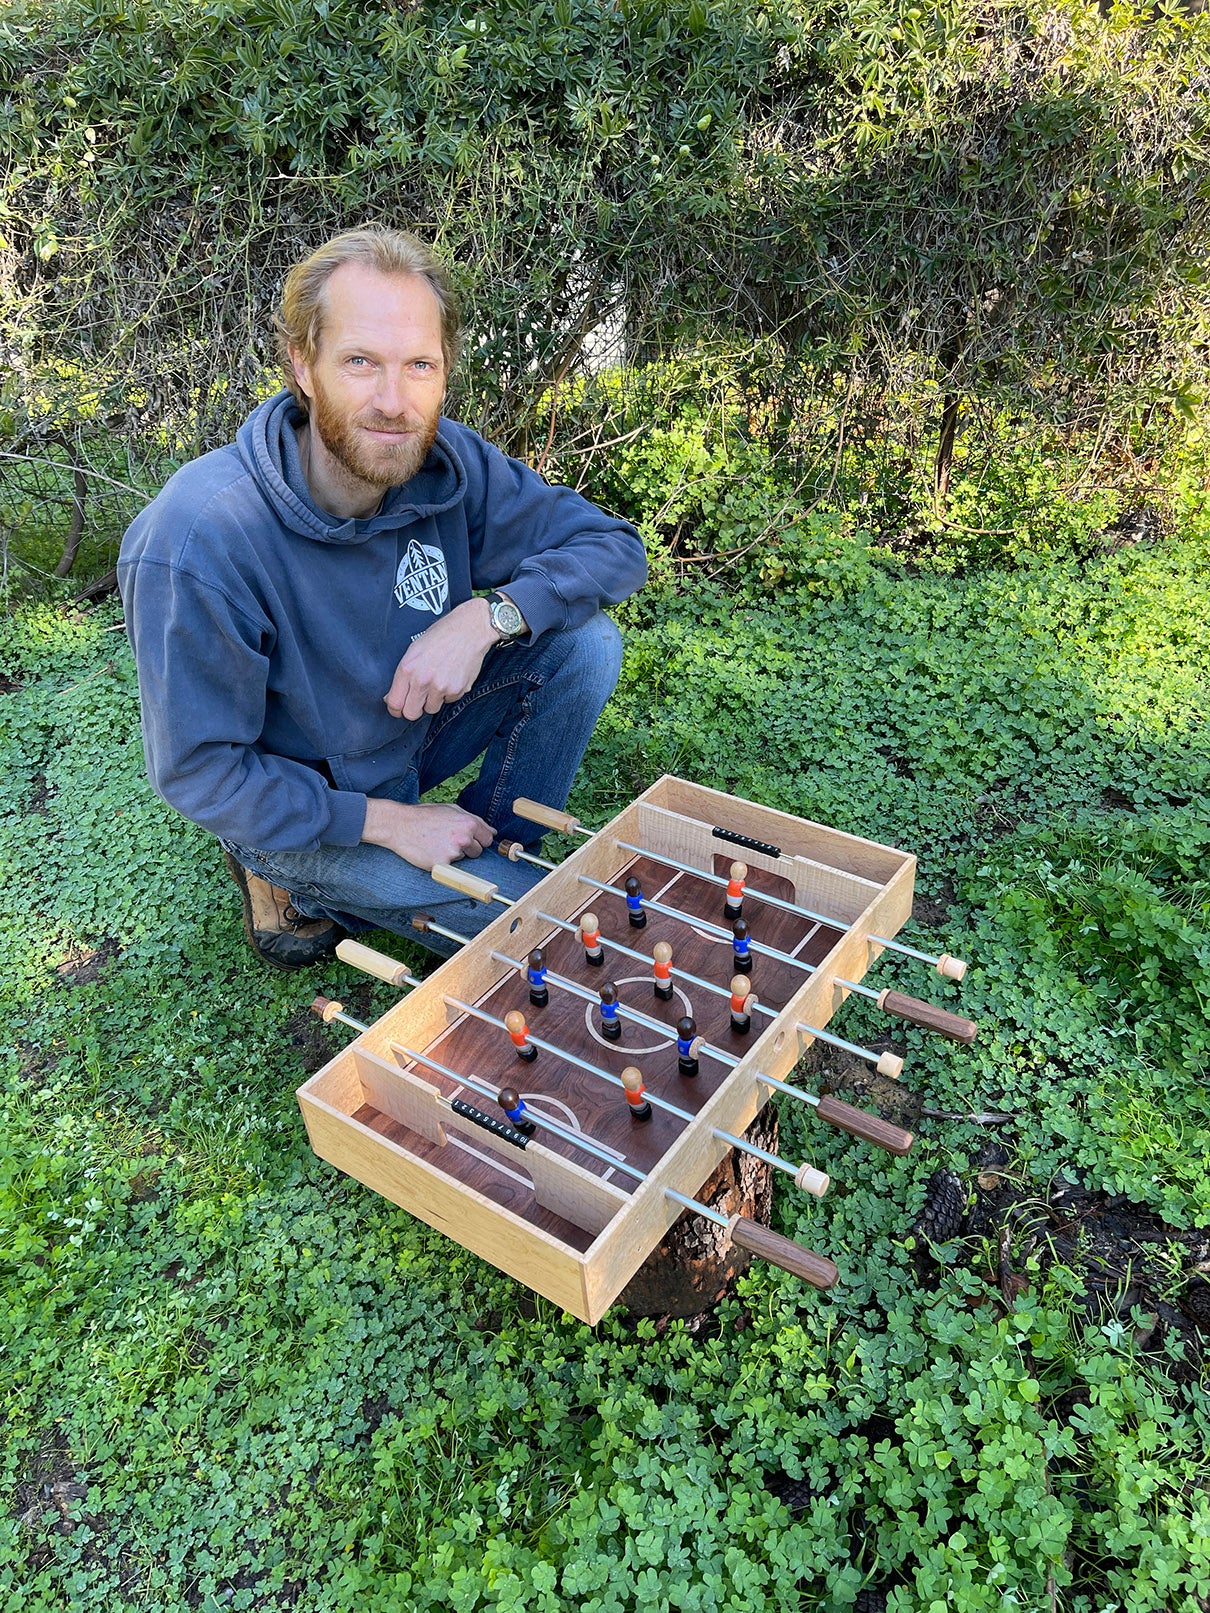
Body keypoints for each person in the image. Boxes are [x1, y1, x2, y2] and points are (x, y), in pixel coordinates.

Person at [118, 226, 647, 969]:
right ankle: (293, 883)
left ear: (446, 367)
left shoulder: (448, 464)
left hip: (404, 734)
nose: (395, 403)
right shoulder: (200, 538)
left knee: (585, 643)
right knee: (532, 927)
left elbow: (615, 547)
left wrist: (489, 614)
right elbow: (202, 772)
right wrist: (386, 822)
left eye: (419, 365)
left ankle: (488, 851)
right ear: (303, 363)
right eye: (361, 361)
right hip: (304, 802)